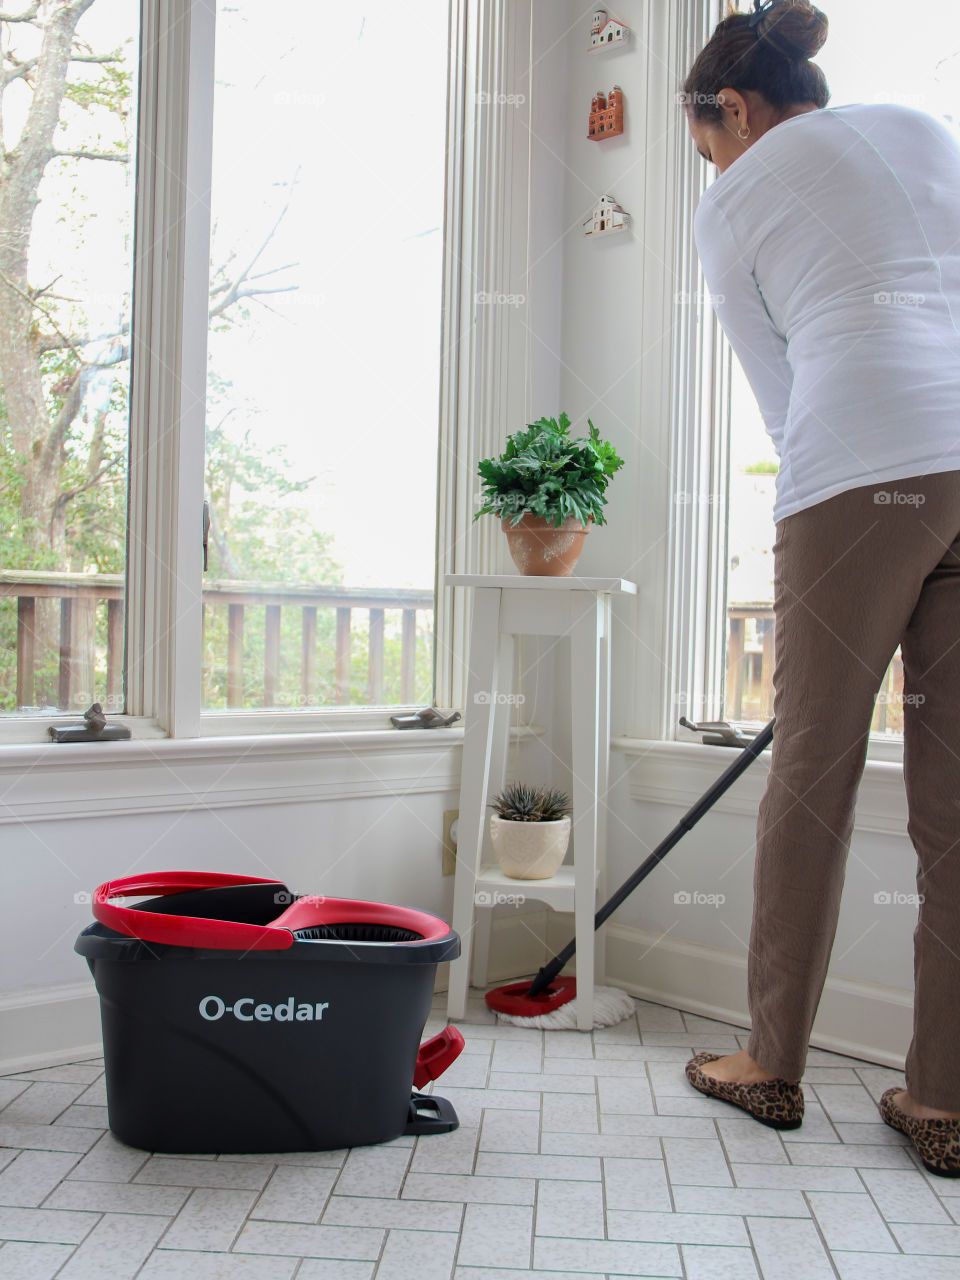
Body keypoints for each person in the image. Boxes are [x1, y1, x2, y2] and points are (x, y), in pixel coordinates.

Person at [679, 0, 960, 1176]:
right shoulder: (925, 130)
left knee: (812, 772)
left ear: (732, 109)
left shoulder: (731, 200)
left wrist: (820, 526)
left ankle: (771, 1060)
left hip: (862, 465)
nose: (719, 163)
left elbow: (779, 389)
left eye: (710, 141)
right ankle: (943, 1098)